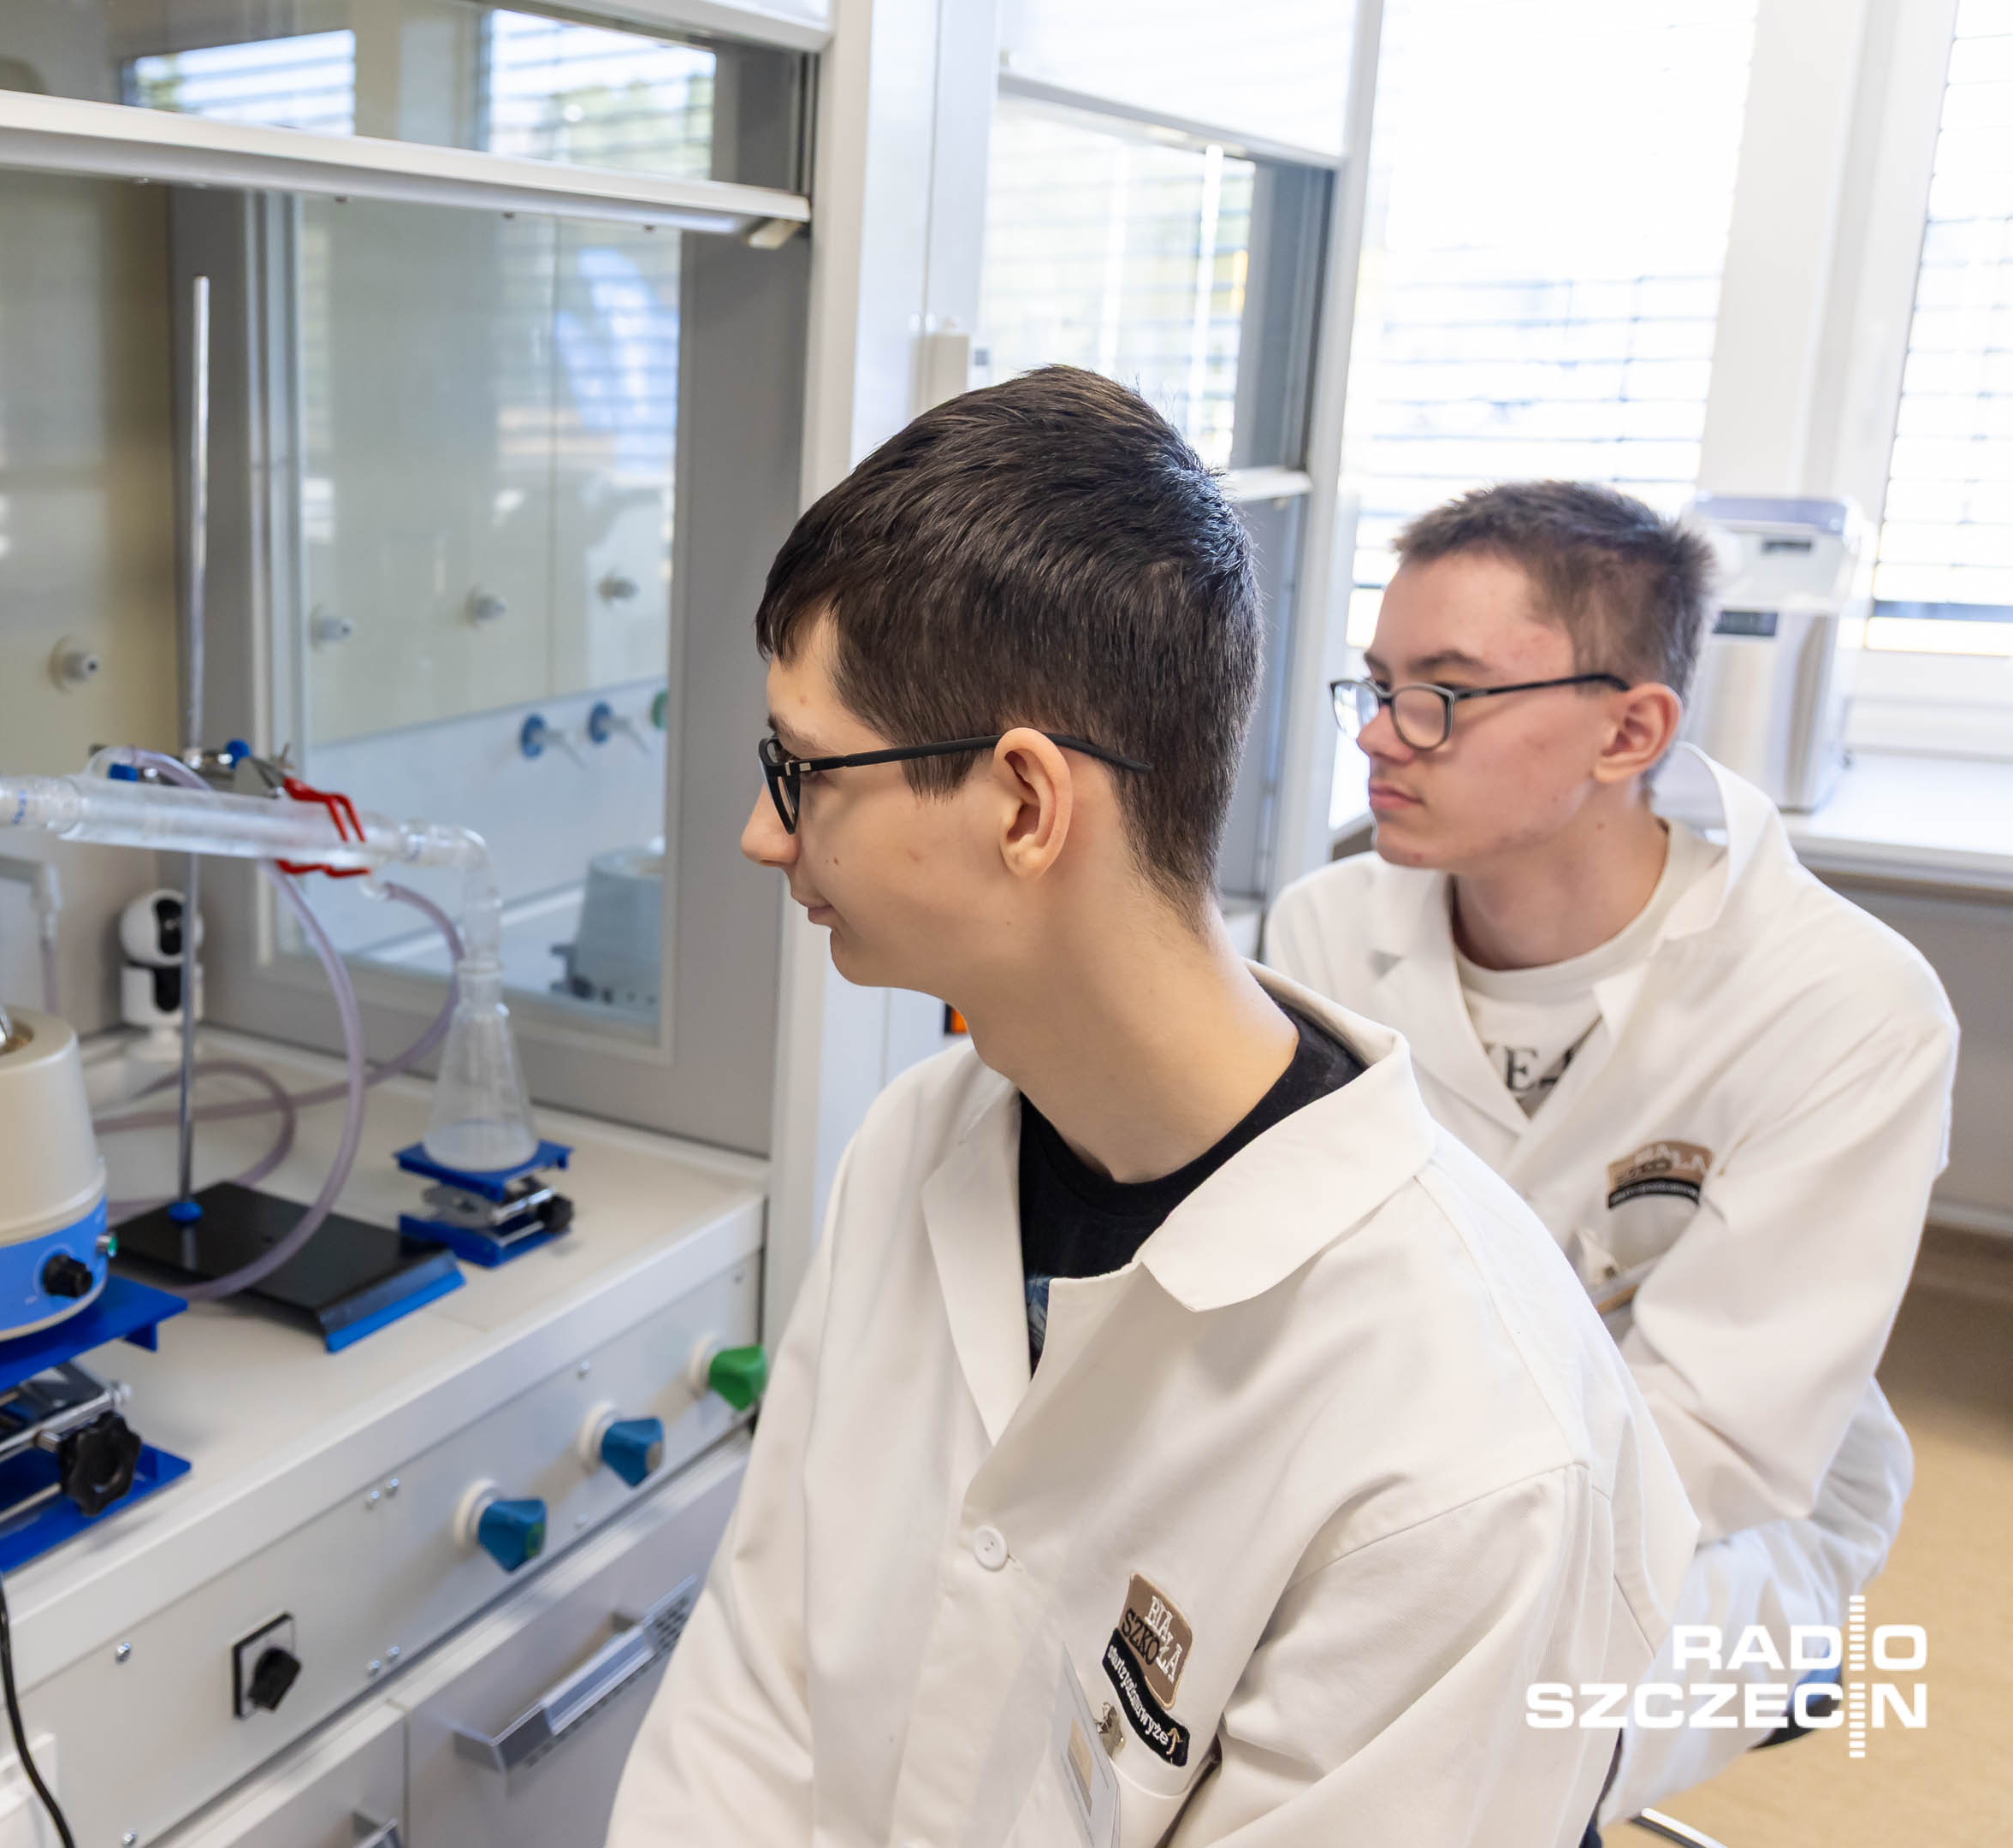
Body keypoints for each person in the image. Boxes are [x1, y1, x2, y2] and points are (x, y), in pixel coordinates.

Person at [608, 369, 1689, 1848]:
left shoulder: (1470, 1449)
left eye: (802, 772)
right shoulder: (917, 1144)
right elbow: (755, 1694)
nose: (759, 833)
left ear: (1024, 804)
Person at [1264, 482, 1958, 1816]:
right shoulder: (1326, 932)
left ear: (1630, 730)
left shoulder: (1845, 1005)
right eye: (1379, 685)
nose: (1381, 737)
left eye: (1446, 694)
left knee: (1474, 1756)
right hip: (1381, 1462)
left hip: (1724, 1526)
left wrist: (1401, 1545)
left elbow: (1721, 1434)